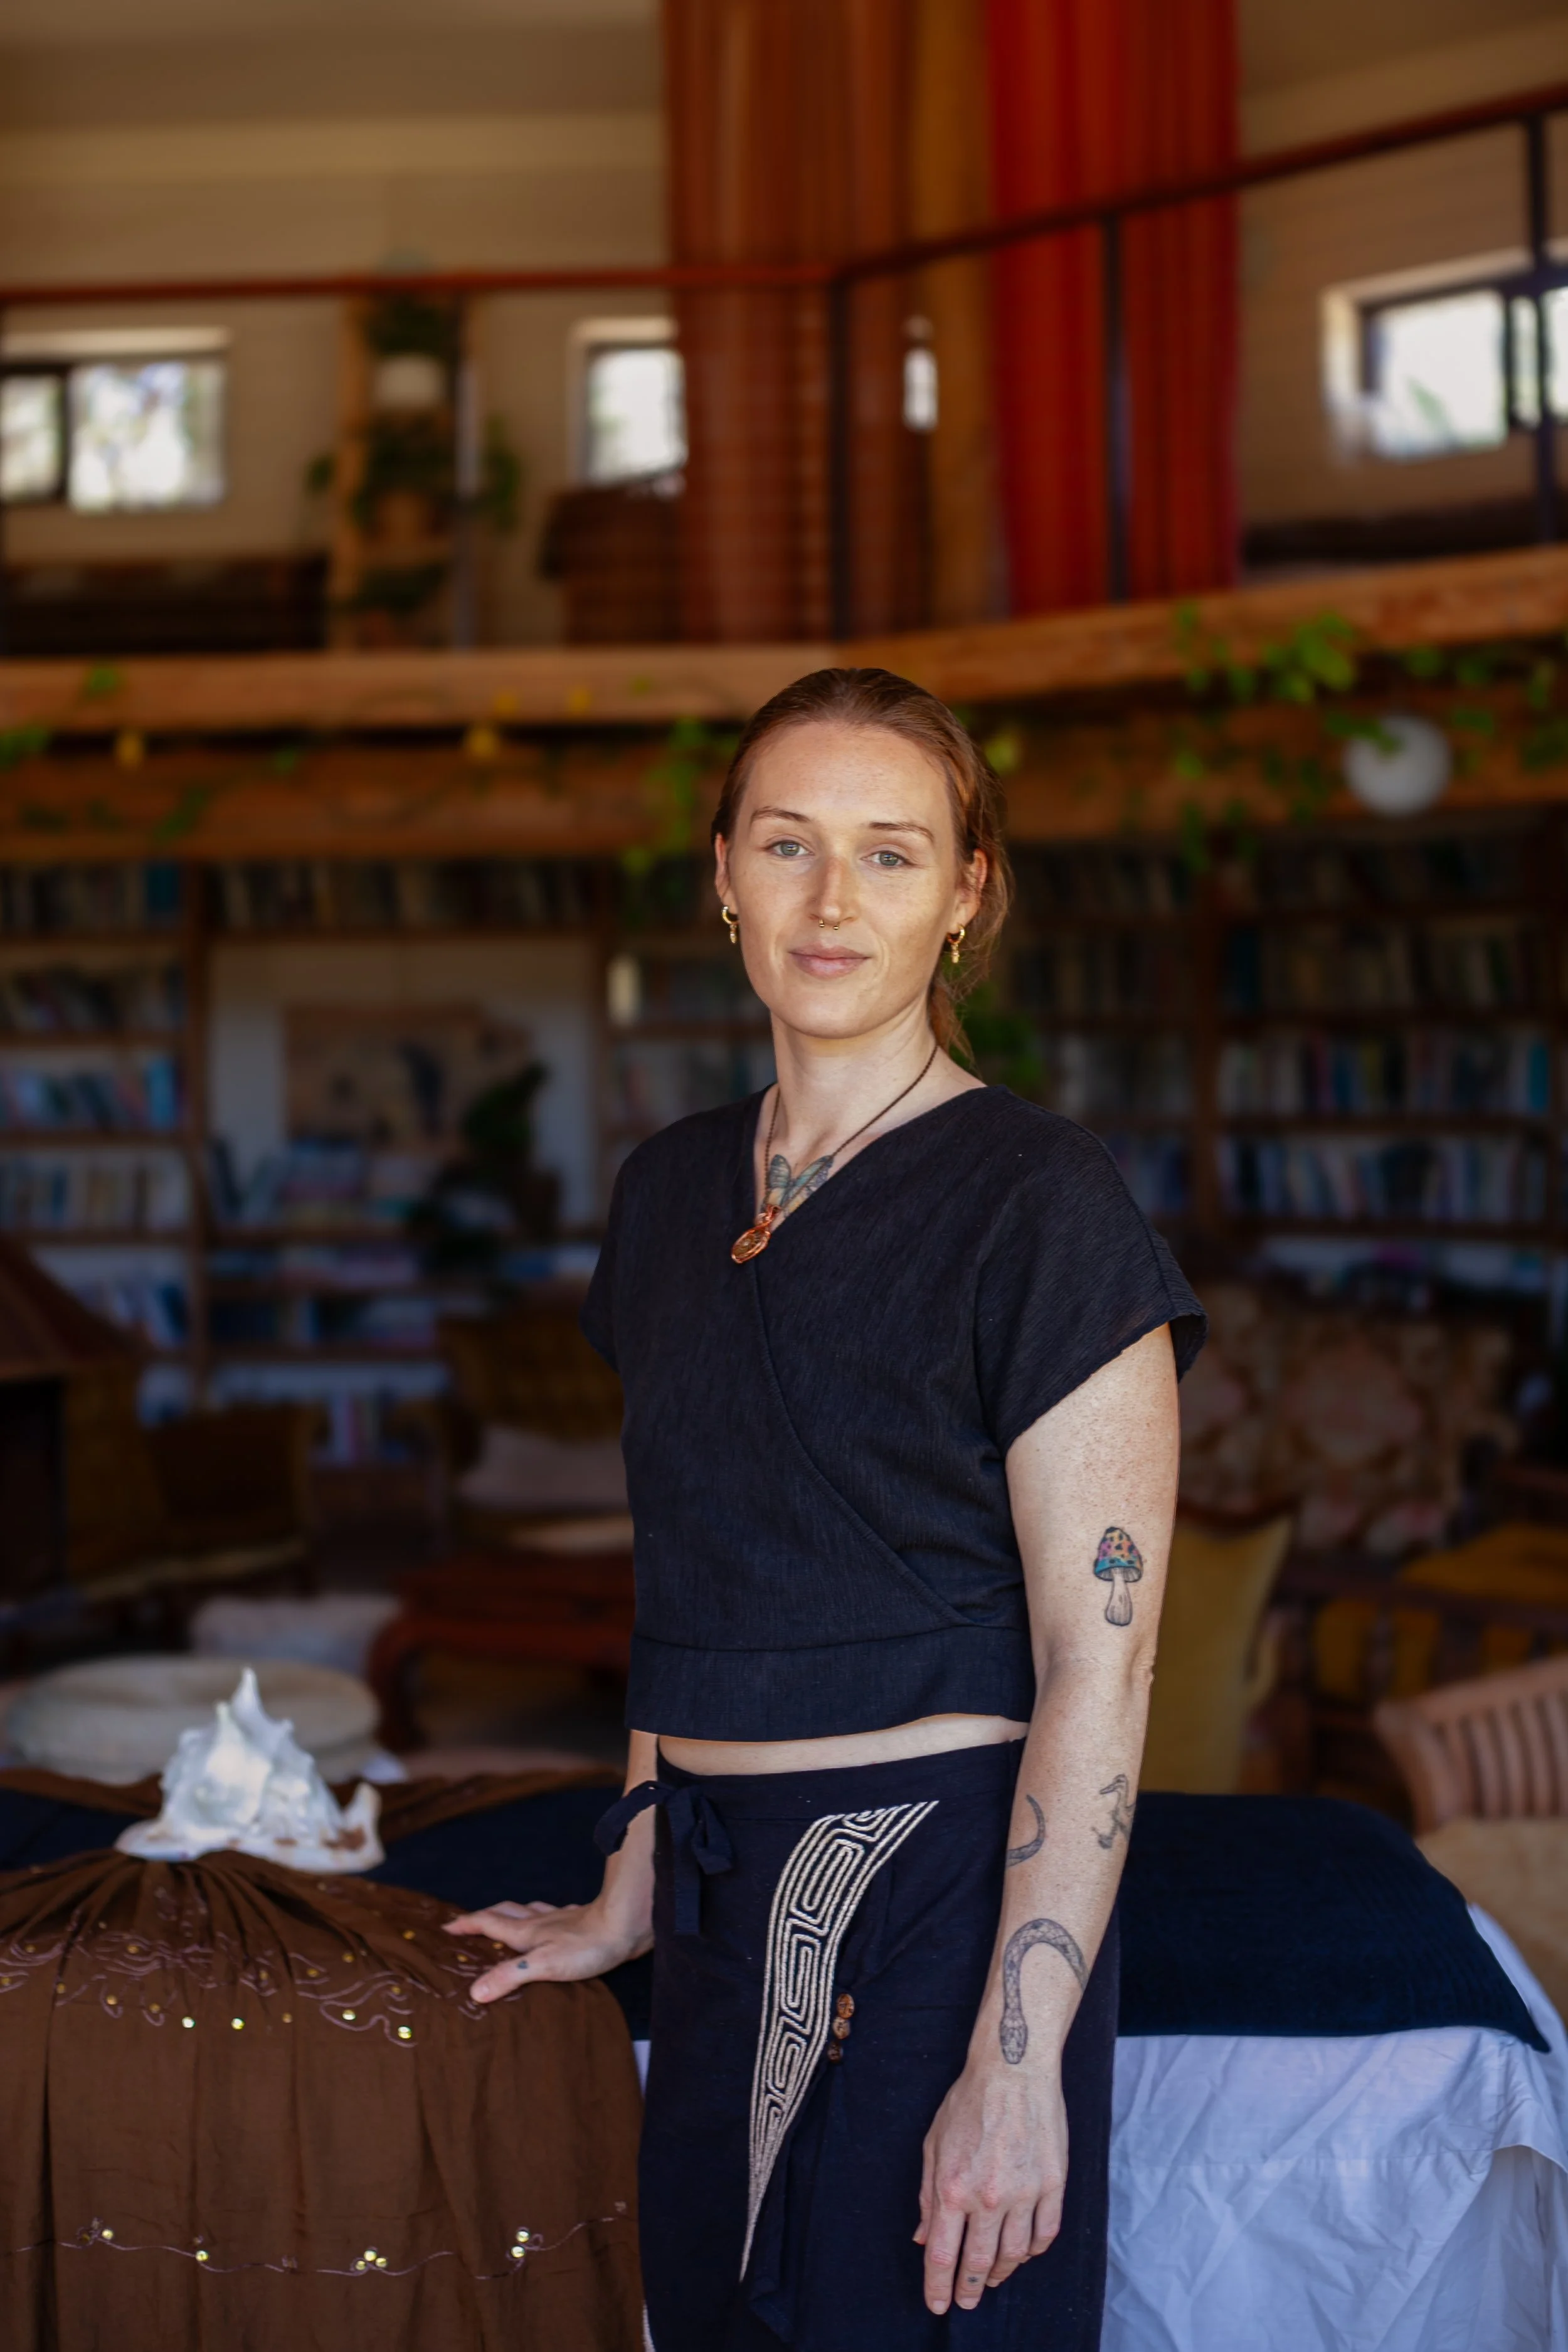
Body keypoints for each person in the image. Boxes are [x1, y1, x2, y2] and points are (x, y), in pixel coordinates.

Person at [448, 667, 1204, 2349]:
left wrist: (1015, 2064)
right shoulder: (664, 1192)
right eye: (786, 843)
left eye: (889, 850)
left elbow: (1105, 1664)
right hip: (719, 1905)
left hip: (941, 1902)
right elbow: (689, 1570)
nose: (832, 898)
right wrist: (632, 1876)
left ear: (965, 892)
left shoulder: (1043, 1205)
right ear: (721, 873)